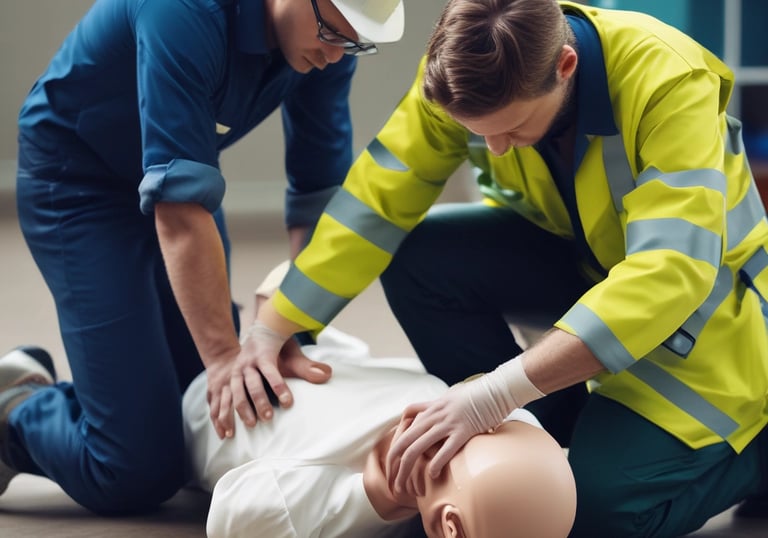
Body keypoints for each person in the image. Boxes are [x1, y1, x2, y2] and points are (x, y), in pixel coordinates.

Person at [233, 0, 768, 536]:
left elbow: (670, 270)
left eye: (511, 128)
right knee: (421, 259)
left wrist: (496, 391)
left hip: (711, 322)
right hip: (589, 266)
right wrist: (276, 323)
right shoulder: (464, 73)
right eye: (479, 133)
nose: (492, 148)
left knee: (582, 516)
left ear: (565, 66)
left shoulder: (669, 81)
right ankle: (543, 425)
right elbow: (377, 200)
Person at [1, 0, 406, 515]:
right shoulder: (183, 10)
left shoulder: (331, 38)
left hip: (176, 180)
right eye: (330, 31)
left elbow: (316, 192)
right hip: (79, 182)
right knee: (135, 469)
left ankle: (114, 398)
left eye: (353, 42)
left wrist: (288, 327)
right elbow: (179, 208)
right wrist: (222, 357)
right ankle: (16, 407)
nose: (334, 53)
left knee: (200, 412)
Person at [182, 262, 577, 538]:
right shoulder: (492, 424)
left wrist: (375, 494)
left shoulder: (321, 485)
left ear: (447, 526)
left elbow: (231, 516)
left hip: (213, 401)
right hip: (326, 363)